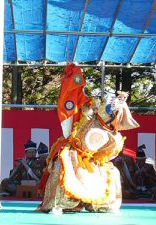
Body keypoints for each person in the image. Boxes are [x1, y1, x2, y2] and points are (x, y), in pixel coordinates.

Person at [38, 64, 139, 213]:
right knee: (62, 165)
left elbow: (102, 119)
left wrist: (113, 108)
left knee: (110, 171)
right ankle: (59, 203)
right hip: (74, 147)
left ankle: (101, 204)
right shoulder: (80, 106)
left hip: (92, 152)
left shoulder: (94, 105)